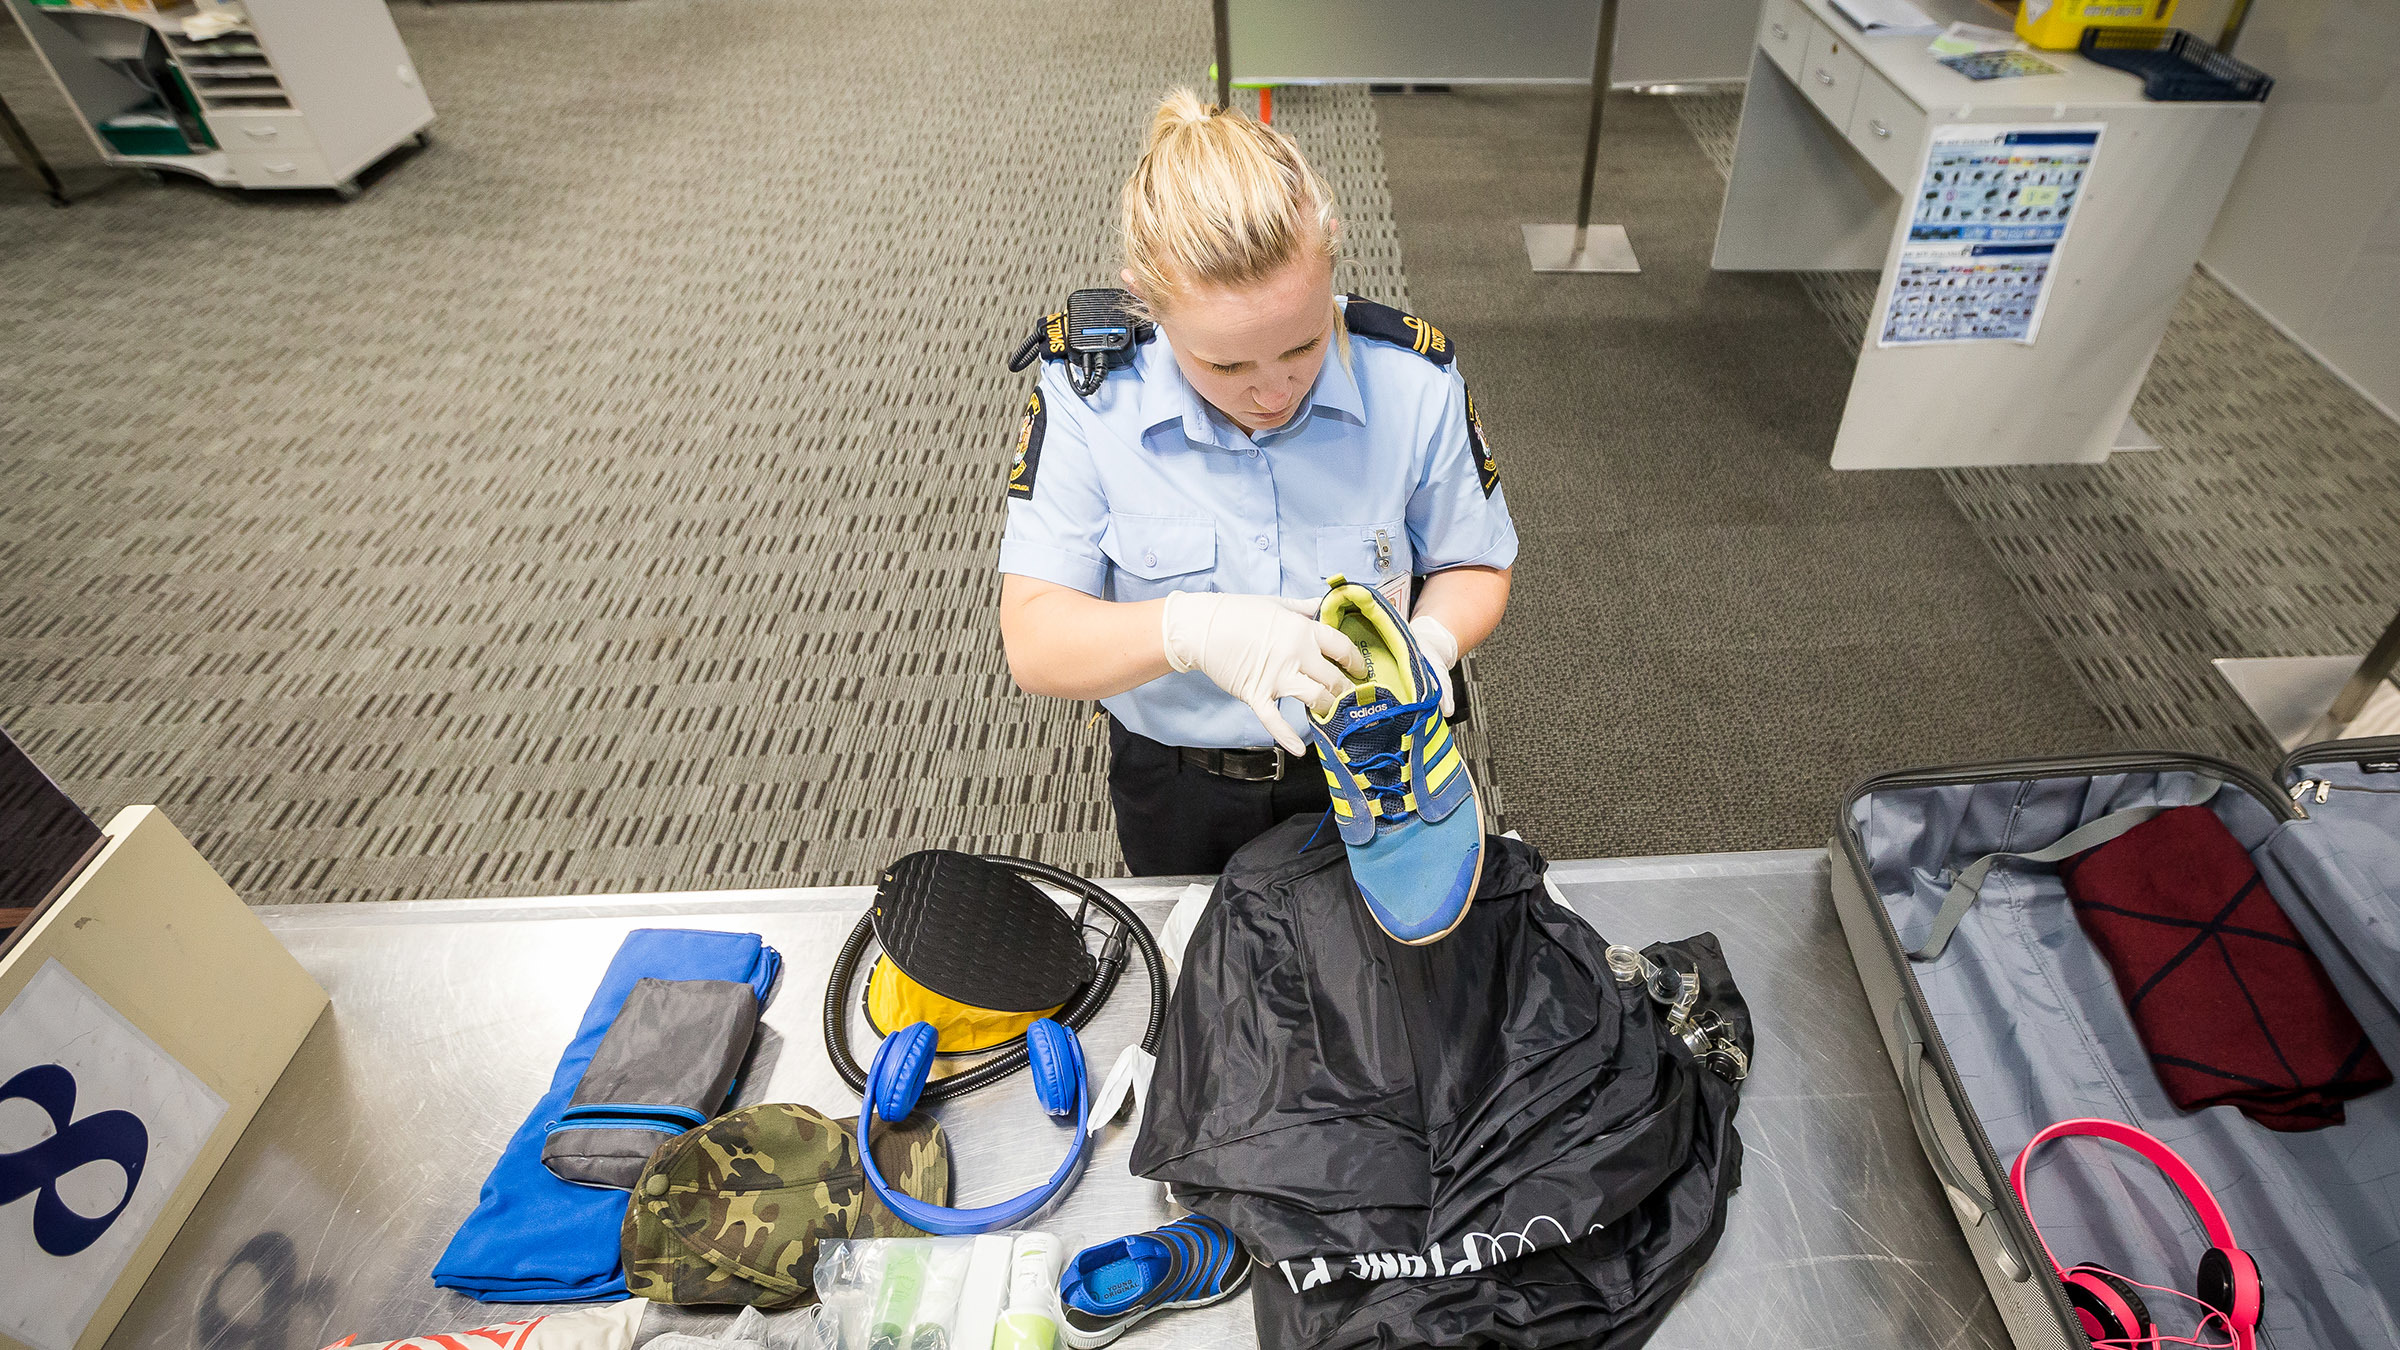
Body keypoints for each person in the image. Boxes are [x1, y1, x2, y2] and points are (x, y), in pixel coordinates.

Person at [997, 91, 1516, 877]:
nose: (1274, 392)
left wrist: (1433, 641)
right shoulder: (1092, 399)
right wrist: (1191, 630)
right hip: (1181, 782)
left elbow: (1473, 563)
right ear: (1147, 300)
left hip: (1376, 762)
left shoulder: (1412, 384)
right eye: (1226, 363)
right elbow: (1036, 642)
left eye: (1304, 346)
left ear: (1331, 253)